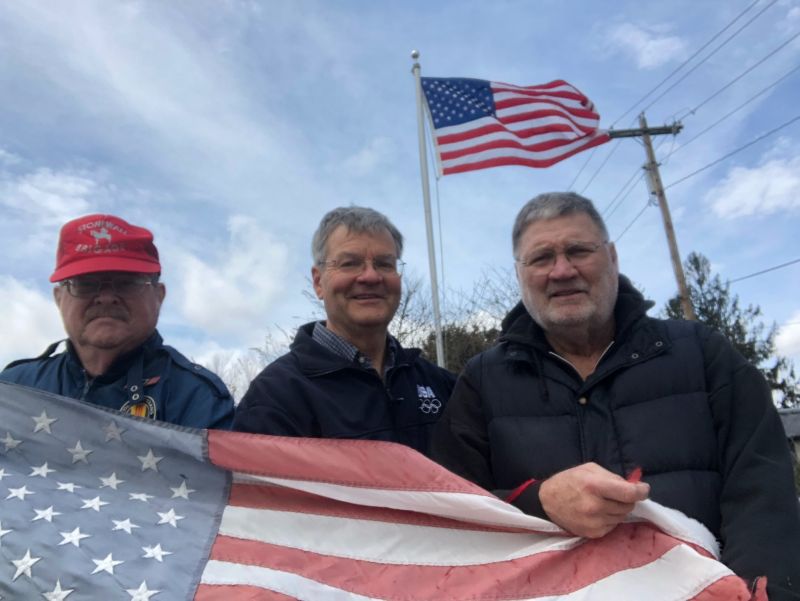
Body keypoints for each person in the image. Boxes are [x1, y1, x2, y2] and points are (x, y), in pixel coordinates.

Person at [432, 192, 800, 599]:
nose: (562, 270)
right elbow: (454, 508)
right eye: (541, 258)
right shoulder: (482, 380)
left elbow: (762, 488)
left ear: (612, 257)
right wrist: (539, 501)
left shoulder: (702, 353)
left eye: (578, 250)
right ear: (520, 274)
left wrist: (756, 592)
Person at [234, 206, 455, 455]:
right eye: (350, 264)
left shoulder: (444, 386)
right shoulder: (274, 397)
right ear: (318, 282)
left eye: (384, 264)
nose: (371, 277)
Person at [0, 214, 234, 429]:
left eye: (126, 283)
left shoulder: (196, 397)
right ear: (59, 298)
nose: (106, 297)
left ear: (158, 296)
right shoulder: (12, 388)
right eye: (86, 284)